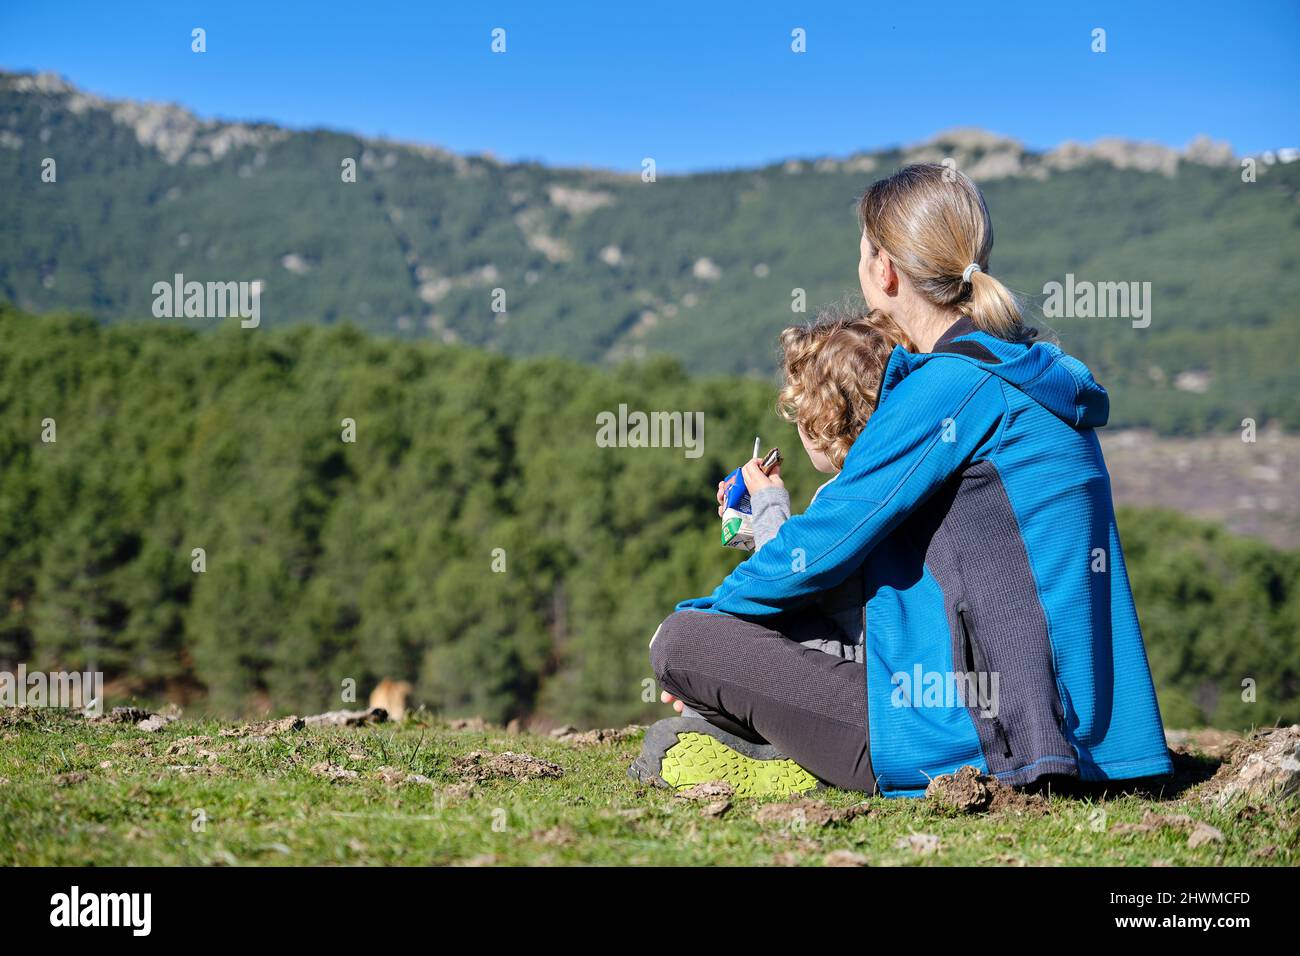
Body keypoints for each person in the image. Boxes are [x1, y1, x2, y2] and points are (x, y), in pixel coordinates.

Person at [630, 163, 1173, 799]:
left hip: (976, 737)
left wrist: (707, 622)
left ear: (884, 270)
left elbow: (824, 545)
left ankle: (771, 762)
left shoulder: (950, 386)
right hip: (1088, 735)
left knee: (683, 643)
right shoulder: (1033, 375)